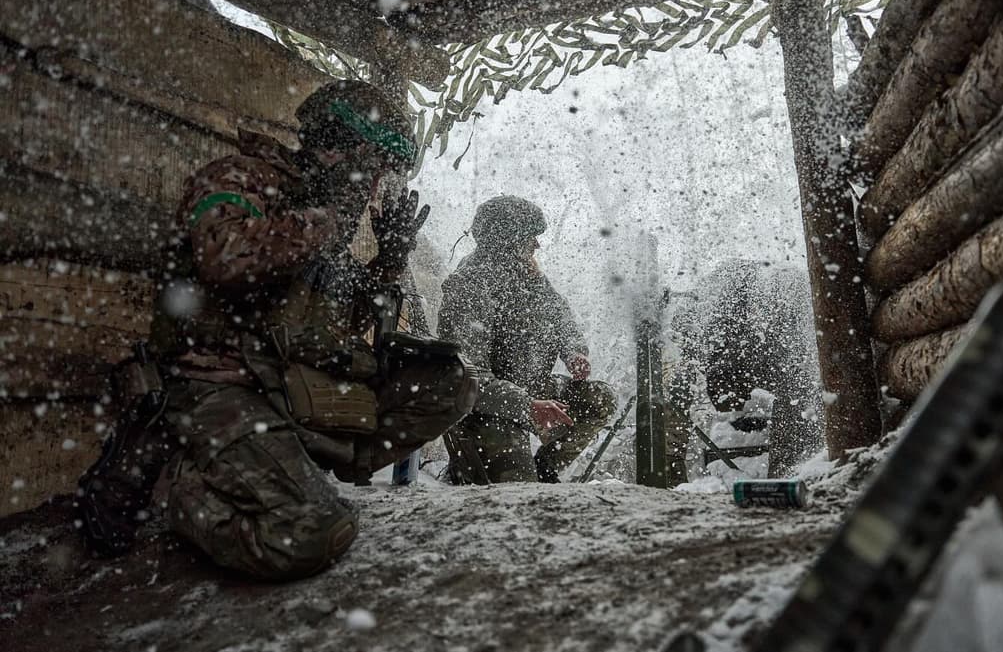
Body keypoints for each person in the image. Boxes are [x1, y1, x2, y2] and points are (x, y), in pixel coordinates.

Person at [76, 80, 478, 580]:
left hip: (289, 385)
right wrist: (322, 220)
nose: (374, 186)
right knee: (314, 532)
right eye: (371, 168)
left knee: (449, 381)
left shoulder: (323, 209)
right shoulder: (241, 179)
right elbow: (224, 258)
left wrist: (388, 263)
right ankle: (178, 490)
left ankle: (306, 464)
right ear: (335, 149)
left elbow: (330, 324)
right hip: (217, 387)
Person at [438, 195, 616, 483]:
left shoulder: (528, 275)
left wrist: (572, 352)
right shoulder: (469, 287)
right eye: (530, 237)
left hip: (529, 388)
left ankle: (545, 470)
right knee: (516, 492)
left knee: (599, 399)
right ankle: (469, 468)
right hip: (486, 408)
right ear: (507, 241)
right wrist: (526, 405)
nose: (537, 244)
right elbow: (469, 379)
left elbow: (560, 315)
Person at [667, 258, 818, 480]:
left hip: (777, 337)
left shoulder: (768, 333)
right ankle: (787, 470)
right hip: (739, 341)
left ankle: (789, 471)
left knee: (796, 386)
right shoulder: (704, 319)